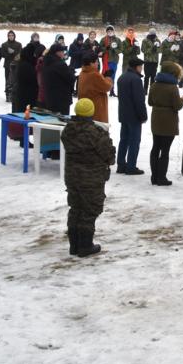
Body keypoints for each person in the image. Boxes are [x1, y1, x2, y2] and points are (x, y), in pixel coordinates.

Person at [61, 98, 116, 258]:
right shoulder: (96, 133)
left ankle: (74, 245)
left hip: (72, 176)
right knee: (90, 209)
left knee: (75, 207)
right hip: (91, 178)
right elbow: (109, 156)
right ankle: (85, 245)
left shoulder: (68, 130)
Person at [147, 61, 183, 186]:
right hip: (169, 121)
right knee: (165, 150)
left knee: (155, 147)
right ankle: (162, 177)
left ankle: (154, 176)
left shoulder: (154, 84)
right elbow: (177, 106)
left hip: (156, 119)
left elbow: (150, 102)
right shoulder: (173, 88)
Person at [117, 58, 148, 175]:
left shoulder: (122, 77)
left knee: (124, 140)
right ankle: (131, 166)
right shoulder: (136, 80)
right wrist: (143, 115)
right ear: (137, 67)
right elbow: (139, 100)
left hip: (123, 113)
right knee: (134, 141)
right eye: (141, 66)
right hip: (134, 115)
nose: (142, 69)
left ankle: (121, 164)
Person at [77, 53, 113, 125]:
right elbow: (107, 86)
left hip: (86, 107)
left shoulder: (83, 72)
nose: (98, 64)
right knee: (98, 129)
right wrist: (108, 77)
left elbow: (95, 85)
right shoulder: (94, 74)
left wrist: (103, 77)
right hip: (96, 108)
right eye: (96, 61)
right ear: (91, 63)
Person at [42, 43, 74, 115]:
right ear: (57, 52)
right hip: (62, 99)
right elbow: (71, 78)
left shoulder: (47, 61)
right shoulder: (60, 64)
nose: (64, 53)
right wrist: (71, 70)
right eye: (62, 51)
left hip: (50, 97)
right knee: (61, 122)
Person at [13, 43, 39, 113]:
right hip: (26, 96)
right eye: (34, 54)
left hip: (23, 94)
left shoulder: (23, 62)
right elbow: (32, 79)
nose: (35, 56)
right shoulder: (26, 65)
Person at [0, 30, 22, 102]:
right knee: (7, 80)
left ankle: (14, 95)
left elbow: (20, 54)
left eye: (12, 35)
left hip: (16, 65)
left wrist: (13, 52)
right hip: (7, 65)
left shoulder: (18, 44)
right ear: (8, 36)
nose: (11, 37)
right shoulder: (4, 44)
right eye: (9, 35)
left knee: (15, 80)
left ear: (14, 36)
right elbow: (2, 54)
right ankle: (8, 95)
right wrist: (9, 54)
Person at [100, 25, 122, 96]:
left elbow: (120, 50)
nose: (110, 32)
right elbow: (100, 48)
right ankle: (103, 89)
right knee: (105, 75)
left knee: (113, 75)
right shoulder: (103, 39)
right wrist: (106, 48)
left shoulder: (117, 40)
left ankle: (112, 90)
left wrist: (114, 49)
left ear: (113, 31)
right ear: (106, 32)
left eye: (111, 31)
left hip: (114, 60)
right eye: (108, 31)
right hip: (106, 60)